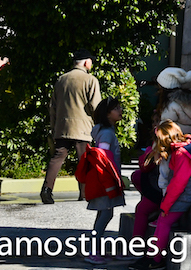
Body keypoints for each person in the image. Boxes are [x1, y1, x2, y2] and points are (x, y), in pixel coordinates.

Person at [130, 120, 191, 270]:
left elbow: (179, 183)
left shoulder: (181, 154)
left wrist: (166, 205)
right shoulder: (184, 147)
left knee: (164, 222)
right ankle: (151, 256)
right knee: (162, 221)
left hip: (185, 194)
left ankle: (156, 259)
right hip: (184, 192)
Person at [42, 49, 101, 204]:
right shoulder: (90, 80)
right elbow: (95, 106)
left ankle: (47, 189)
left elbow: (53, 106)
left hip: (62, 126)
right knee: (84, 160)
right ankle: (84, 193)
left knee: (57, 157)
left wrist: (54, 127)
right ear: (86, 62)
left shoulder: (61, 79)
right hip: (83, 127)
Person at [83, 97, 126, 265]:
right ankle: (93, 251)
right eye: (116, 108)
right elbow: (102, 158)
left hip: (103, 179)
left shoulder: (104, 131)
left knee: (104, 213)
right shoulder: (107, 133)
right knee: (106, 214)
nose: (120, 110)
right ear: (107, 114)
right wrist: (110, 181)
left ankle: (95, 249)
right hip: (105, 180)